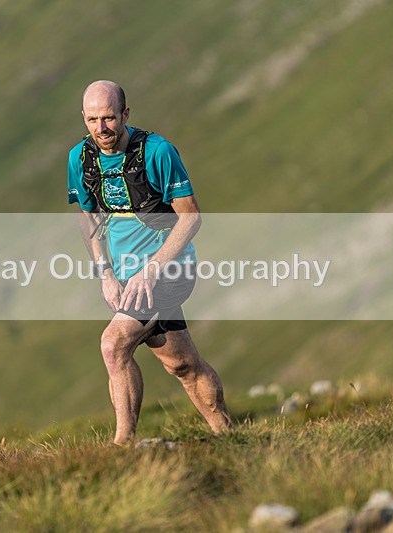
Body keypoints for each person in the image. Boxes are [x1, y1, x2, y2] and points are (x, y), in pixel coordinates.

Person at [67, 80, 232, 445]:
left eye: (109, 118)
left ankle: (123, 447)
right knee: (182, 364)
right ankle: (228, 437)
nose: (101, 128)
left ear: (125, 114)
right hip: (126, 277)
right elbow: (88, 217)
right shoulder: (80, 158)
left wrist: (151, 270)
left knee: (114, 346)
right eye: (92, 120)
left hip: (171, 269)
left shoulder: (158, 152)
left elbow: (191, 217)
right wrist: (105, 273)